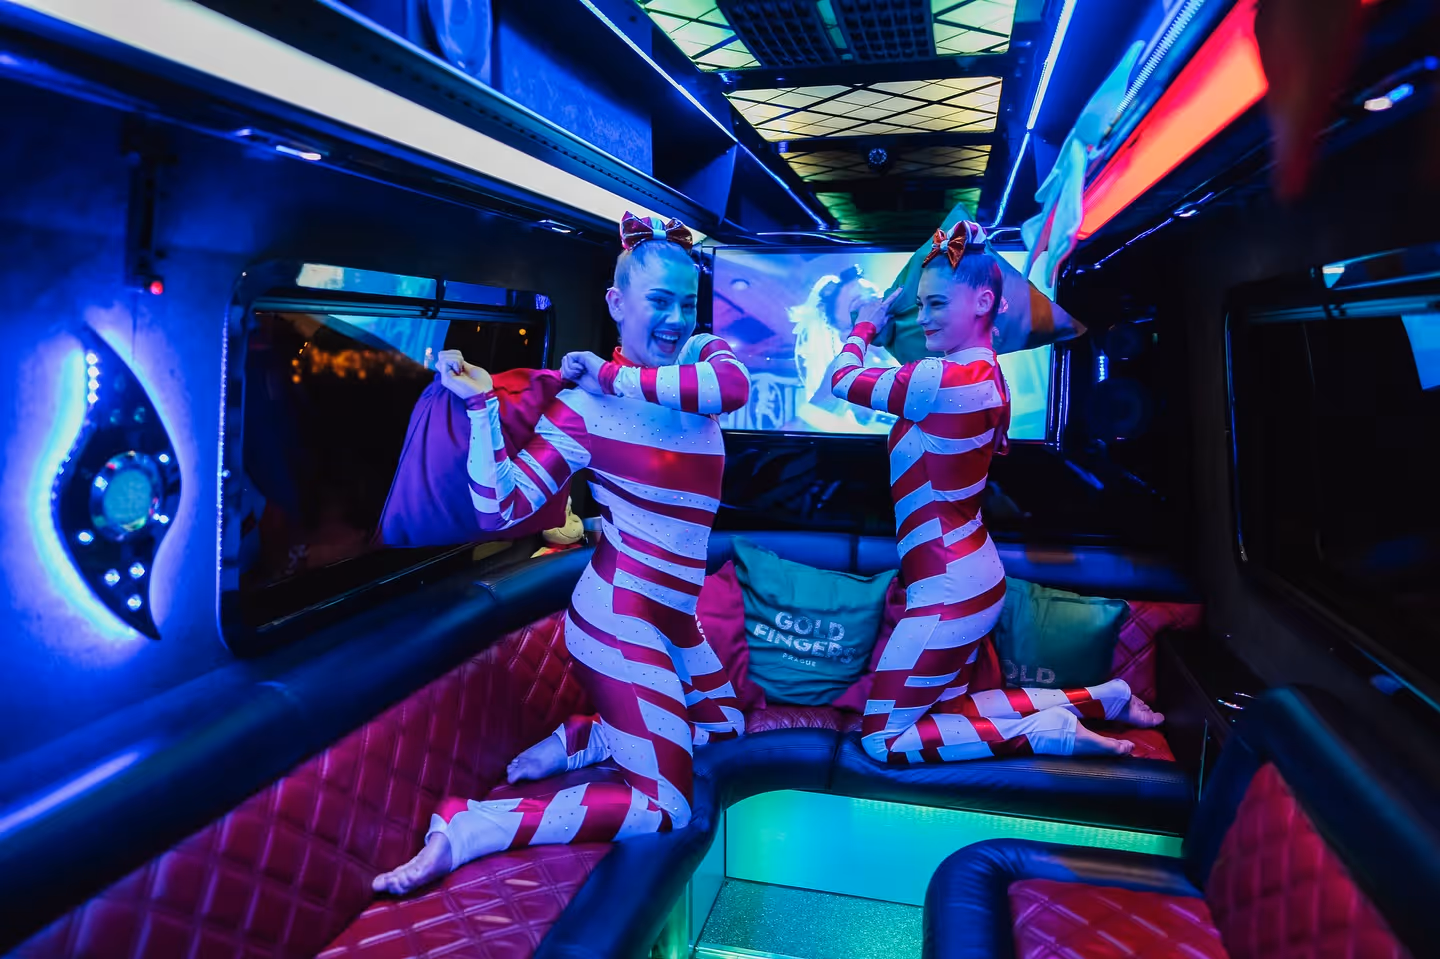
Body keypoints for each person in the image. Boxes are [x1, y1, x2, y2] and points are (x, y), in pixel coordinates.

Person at [373, 213, 750, 894]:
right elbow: (502, 508)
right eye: (658, 301)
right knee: (666, 806)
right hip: (618, 618)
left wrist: (613, 375)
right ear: (616, 303)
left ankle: (589, 737)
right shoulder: (580, 410)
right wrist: (483, 410)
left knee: (724, 726)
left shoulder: (700, 361)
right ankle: (471, 826)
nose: (675, 319)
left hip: (676, 613)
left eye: (686, 303)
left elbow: (734, 391)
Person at [830, 220, 1162, 763]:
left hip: (949, 587)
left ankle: (1049, 732)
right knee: (951, 711)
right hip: (962, 576)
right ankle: (1105, 698)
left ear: (984, 302)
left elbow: (842, 379)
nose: (923, 317)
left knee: (882, 739)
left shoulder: (941, 379)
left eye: (937, 303)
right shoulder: (983, 373)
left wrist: (864, 325)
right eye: (921, 304)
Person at [790, 266, 899, 433]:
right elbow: (801, 427)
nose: (878, 307)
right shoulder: (850, 370)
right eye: (862, 306)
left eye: (875, 296)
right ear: (847, 334)